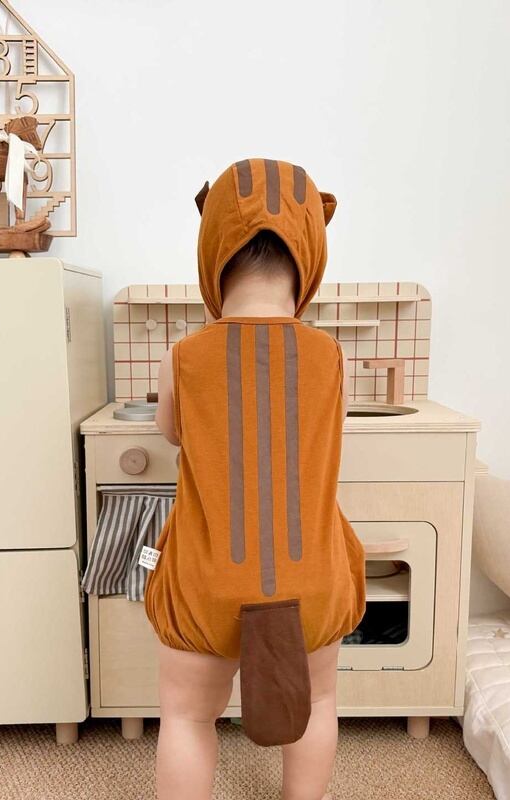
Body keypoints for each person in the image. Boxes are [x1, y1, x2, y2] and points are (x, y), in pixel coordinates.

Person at [144, 159, 366, 800]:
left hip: (207, 576)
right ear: (309, 253)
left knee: (188, 716)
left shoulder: (184, 356)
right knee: (316, 703)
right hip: (308, 573)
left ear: (212, 249)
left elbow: (172, 433)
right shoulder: (329, 355)